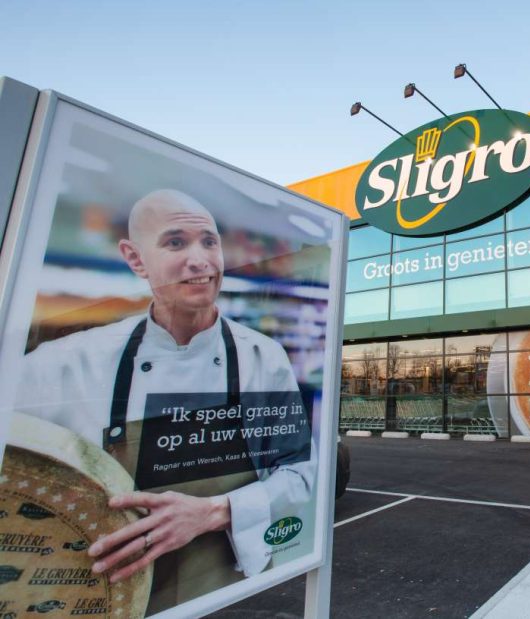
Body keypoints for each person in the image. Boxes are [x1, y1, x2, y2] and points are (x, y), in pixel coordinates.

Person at [15, 189, 314, 614]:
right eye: (176, 242)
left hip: (227, 587)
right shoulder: (61, 366)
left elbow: (300, 473)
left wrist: (215, 511)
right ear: (135, 258)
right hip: (97, 594)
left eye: (209, 242)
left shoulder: (262, 357)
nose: (200, 260)